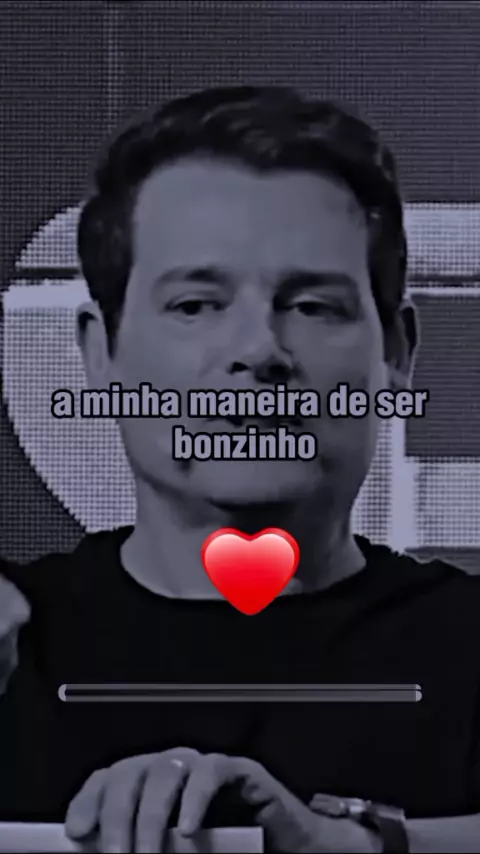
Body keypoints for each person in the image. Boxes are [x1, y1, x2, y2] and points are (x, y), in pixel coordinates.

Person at [0, 85, 480, 854]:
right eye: (195, 306)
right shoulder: (12, 644)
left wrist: (349, 843)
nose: (259, 351)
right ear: (100, 353)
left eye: (313, 306)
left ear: (396, 354)